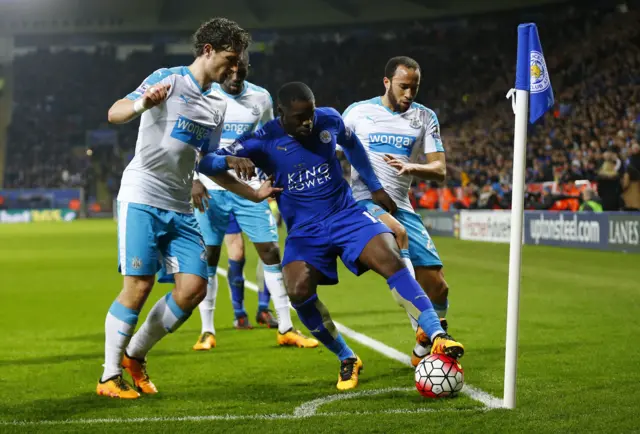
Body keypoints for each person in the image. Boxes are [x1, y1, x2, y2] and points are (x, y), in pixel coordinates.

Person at [198, 81, 464, 390]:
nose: (308, 122)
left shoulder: (328, 119)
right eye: (299, 117)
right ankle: (346, 356)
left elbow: (352, 146)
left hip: (345, 214)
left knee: (390, 257)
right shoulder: (262, 139)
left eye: (310, 114)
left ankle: (436, 334)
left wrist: (375, 187)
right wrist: (230, 160)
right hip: (305, 231)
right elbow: (206, 162)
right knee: (297, 290)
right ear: (281, 114)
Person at [98, 18, 267, 399]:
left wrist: (249, 191)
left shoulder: (217, 106)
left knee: (193, 288)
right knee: (138, 286)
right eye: (229, 58)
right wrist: (143, 103)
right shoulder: (169, 78)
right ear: (207, 51)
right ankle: (109, 375)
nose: (235, 68)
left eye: (238, 62)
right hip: (142, 196)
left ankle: (135, 355)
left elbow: (204, 163)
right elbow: (115, 113)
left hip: (179, 206)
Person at [186, 51, 318, 350]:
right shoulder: (203, 97)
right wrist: (192, 179)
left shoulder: (261, 98)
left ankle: (285, 327)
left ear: (248, 68)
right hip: (209, 188)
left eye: (241, 71)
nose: (235, 76)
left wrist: (279, 175)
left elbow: (270, 139)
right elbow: (188, 142)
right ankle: (207, 331)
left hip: (250, 188)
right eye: (230, 70)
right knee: (209, 258)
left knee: (271, 252)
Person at [341, 56, 454, 367]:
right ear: (387, 82)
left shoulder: (424, 117)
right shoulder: (357, 112)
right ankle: (431, 335)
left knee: (438, 286)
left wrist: (412, 165)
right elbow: (333, 152)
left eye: (414, 89)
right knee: (397, 234)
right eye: (404, 87)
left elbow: (440, 169)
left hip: (401, 205)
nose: (409, 94)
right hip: (364, 202)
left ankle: (421, 349)